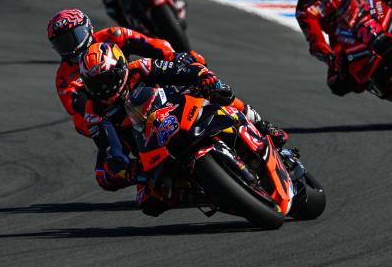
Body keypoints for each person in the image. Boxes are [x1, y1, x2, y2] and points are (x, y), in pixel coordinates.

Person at [79, 42, 287, 214]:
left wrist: (204, 79)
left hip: (180, 108)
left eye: (107, 80)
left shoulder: (140, 67)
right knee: (148, 201)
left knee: (219, 92)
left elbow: (177, 71)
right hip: (151, 148)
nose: (104, 89)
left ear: (120, 67)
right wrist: (130, 169)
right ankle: (208, 192)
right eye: (96, 85)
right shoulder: (94, 111)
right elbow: (111, 148)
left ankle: (262, 124)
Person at [47, 8, 199, 191]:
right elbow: (79, 113)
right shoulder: (64, 79)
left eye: (74, 36)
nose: (71, 46)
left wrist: (174, 57)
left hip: (141, 86)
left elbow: (153, 45)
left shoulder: (114, 35)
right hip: (115, 115)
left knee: (193, 67)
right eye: (62, 43)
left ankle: (230, 108)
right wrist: (105, 125)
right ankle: (145, 173)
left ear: (87, 29)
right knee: (104, 176)